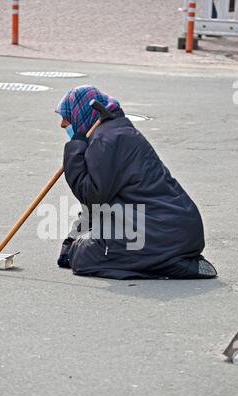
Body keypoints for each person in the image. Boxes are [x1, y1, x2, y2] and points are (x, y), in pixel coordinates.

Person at [55, 85, 217, 280]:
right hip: (177, 232)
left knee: (83, 257)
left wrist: (75, 150)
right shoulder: (115, 133)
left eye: (68, 117)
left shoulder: (106, 142)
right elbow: (94, 205)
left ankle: (173, 264)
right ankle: (170, 259)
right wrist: (73, 239)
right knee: (81, 248)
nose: (64, 124)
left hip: (158, 232)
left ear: (83, 114)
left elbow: (91, 196)